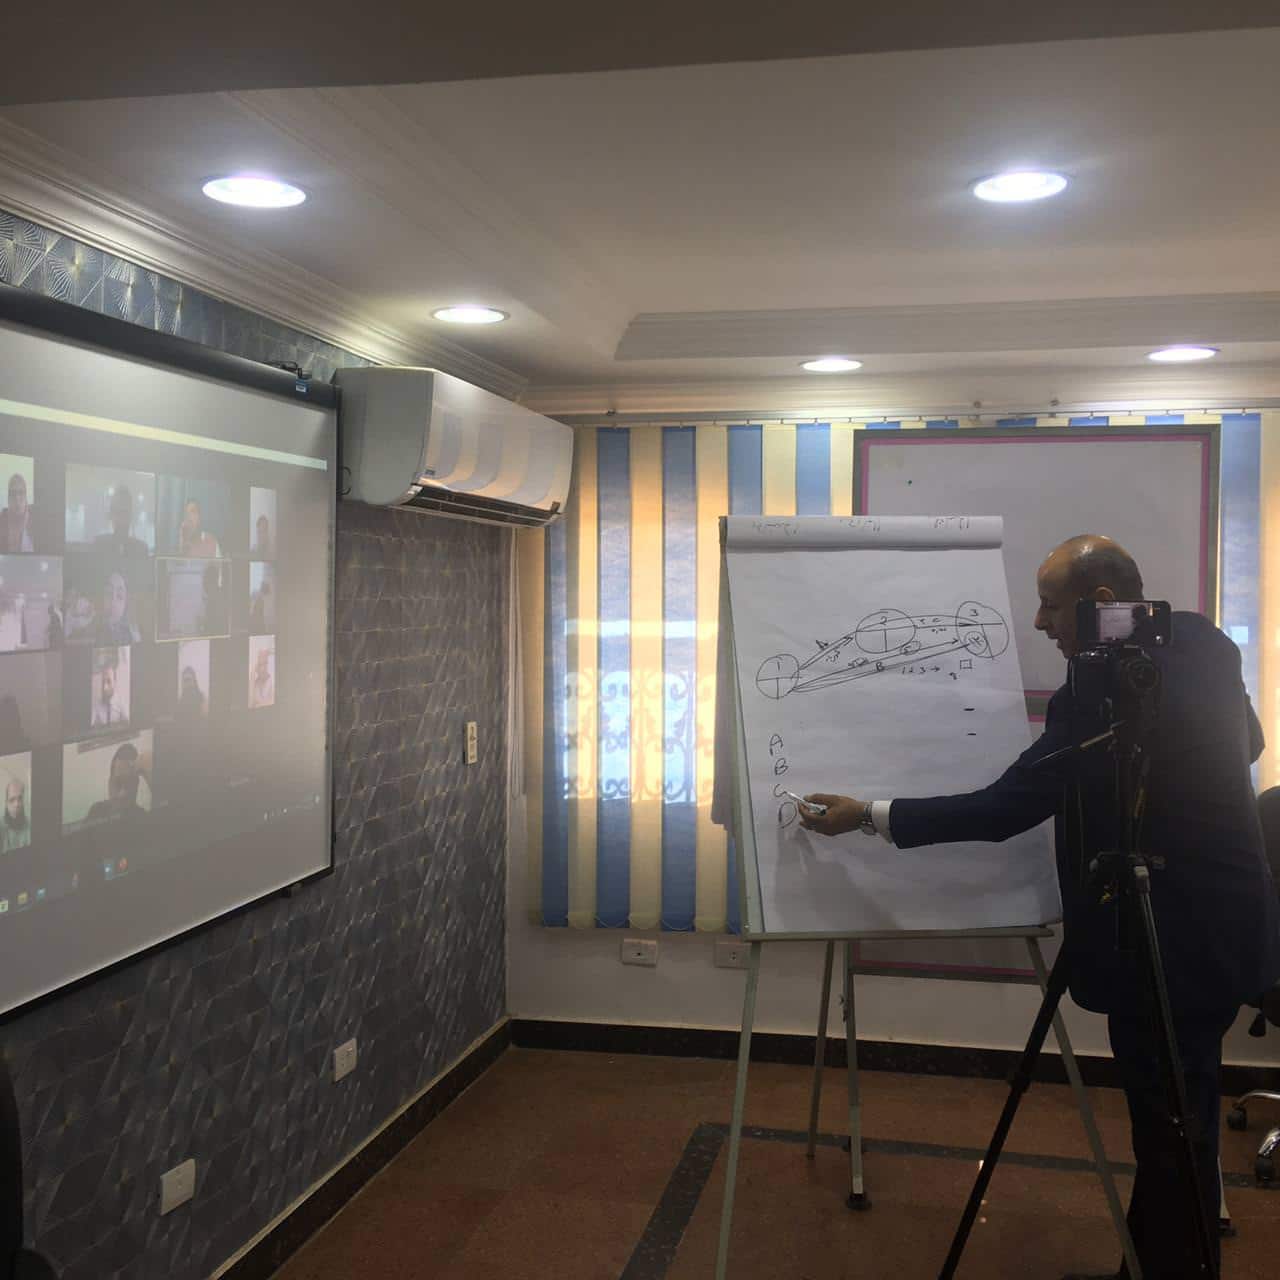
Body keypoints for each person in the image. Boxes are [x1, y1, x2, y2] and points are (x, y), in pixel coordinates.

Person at [801, 535, 1280, 1280]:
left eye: (1049, 605)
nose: (1037, 622)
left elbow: (1005, 807)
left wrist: (868, 813)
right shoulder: (1203, 642)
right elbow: (1247, 741)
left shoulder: (1096, 694)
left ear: (1098, 604)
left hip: (1172, 943)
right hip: (1227, 929)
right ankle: (1146, 1266)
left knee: (1171, 1130)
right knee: (1178, 1120)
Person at [86, 742, 147, 823]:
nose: (122, 793)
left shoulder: (143, 818)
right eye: (118, 783)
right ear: (109, 782)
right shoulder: (96, 811)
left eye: (127, 784)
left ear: (136, 785)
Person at [93, 486, 148, 558]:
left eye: (125, 512)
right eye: (117, 512)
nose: (121, 519)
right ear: (111, 515)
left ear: (131, 515)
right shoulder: (99, 544)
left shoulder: (141, 549)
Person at [89, 571, 141, 645]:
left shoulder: (133, 635)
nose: (113, 602)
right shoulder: (91, 633)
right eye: (108, 593)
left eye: (119, 596)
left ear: (126, 601)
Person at [90, 650, 127, 727]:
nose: (105, 688)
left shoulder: (122, 704)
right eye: (103, 682)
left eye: (109, 682)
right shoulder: (96, 706)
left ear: (115, 683)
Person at [0, 473, 34, 552]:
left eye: (21, 493)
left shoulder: (35, 519)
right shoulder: (2, 520)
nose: (17, 498)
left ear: (26, 497)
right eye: (13, 494)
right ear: (8, 499)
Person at [1, 777, 30, 852]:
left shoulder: (31, 826)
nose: (16, 804)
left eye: (20, 798)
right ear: (6, 803)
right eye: (12, 799)